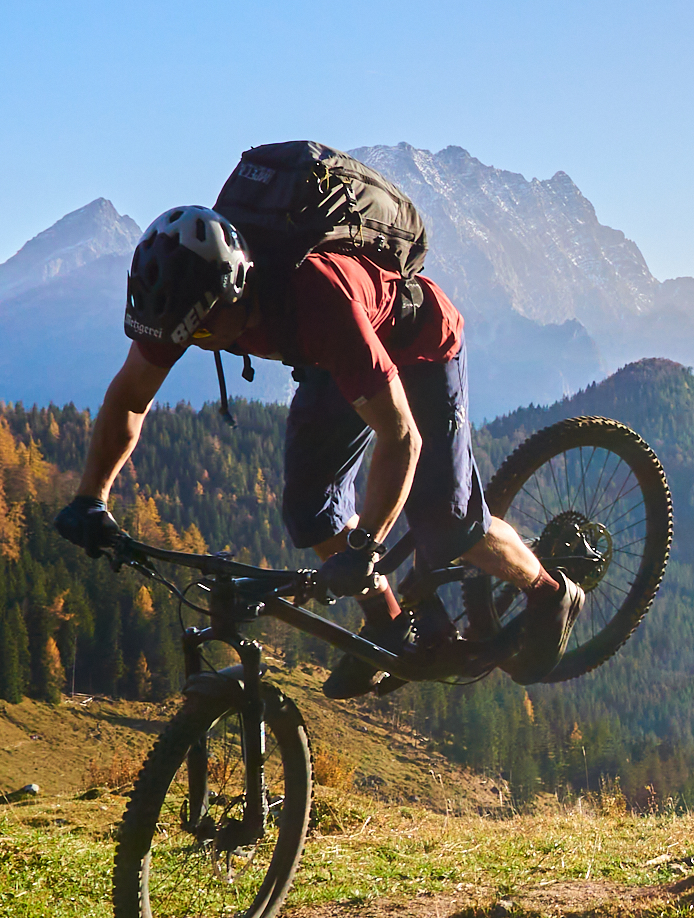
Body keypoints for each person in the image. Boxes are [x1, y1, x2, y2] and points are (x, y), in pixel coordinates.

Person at [54, 195, 581, 698]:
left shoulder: (320, 300)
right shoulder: (184, 301)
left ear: (236, 289)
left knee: (447, 517)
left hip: (417, 346)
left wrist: (366, 546)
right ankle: (389, 626)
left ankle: (549, 592)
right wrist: (90, 497)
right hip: (335, 360)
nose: (194, 342)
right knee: (312, 509)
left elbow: (401, 436)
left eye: (203, 331)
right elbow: (129, 398)